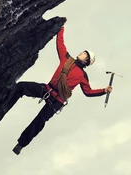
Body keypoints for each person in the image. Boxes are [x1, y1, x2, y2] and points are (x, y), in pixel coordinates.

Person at [11, 21, 113, 155]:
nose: (81, 53)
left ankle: (20, 144)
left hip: (57, 101)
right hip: (47, 89)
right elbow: (60, 44)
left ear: (86, 61)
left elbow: (88, 92)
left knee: (39, 121)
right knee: (21, 87)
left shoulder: (83, 75)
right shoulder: (67, 59)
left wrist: (103, 91)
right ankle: (3, 103)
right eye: (83, 52)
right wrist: (61, 27)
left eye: (84, 54)